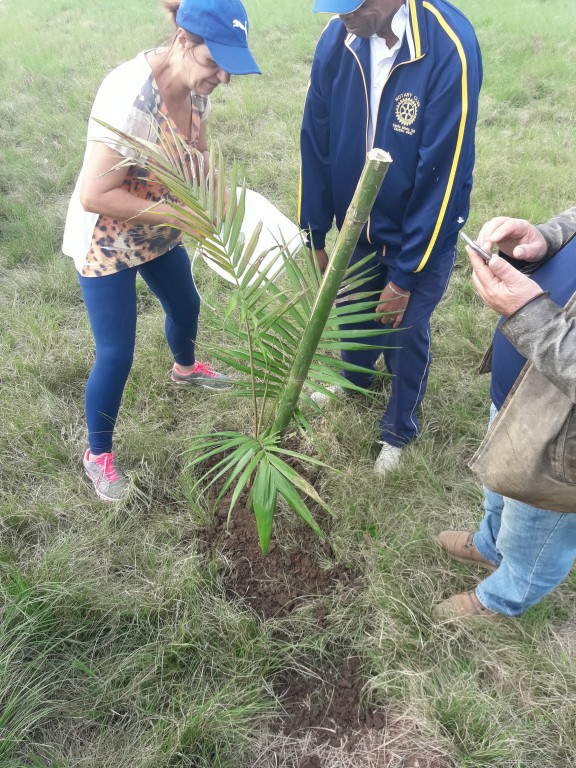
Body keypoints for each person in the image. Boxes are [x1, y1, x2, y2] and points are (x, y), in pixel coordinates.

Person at [62, 0, 260, 501]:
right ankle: (97, 455)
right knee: (116, 353)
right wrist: (178, 217)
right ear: (183, 40)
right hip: (106, 239)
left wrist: (223, 201)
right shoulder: (130, 95)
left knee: (187, 304)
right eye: (215, 63)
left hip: (158, 221)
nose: (222, 78)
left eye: (229, 68)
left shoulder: (195, 91)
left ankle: (186, 369)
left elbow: (199, 156)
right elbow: (94, 194)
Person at [299, 0, 482, 476]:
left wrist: (406, 274)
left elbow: (444, 172)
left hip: (419, 233)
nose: (343, 18)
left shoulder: (448, 47)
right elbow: (315, 136)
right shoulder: (339, 39)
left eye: (352, 5)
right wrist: (313, 231)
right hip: (357, 224)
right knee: (355, 309)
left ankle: (399, 429)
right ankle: (354, 379)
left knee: (404, 329)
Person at [434, 208, 576, 619]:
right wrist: (545, 239)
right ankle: (490, 545)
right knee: (498, 488)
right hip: (517, 393)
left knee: (536, 541)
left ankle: (501, 599)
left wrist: (530, 316)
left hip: (560, 444)